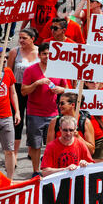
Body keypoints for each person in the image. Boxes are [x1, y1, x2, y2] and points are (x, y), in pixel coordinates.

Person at [21, 42, 68, 178]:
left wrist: (61, 90)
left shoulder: (59, 70)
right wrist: (36, 83)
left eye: (50, 54)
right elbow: (23, 91)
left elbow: (66, 89)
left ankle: (50, 169)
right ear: (39, 55)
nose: (47, 56)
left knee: (52, 144)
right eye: (44, 54)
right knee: (35, 145)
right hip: (35, 113)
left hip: (53, 113)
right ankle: (36, 171)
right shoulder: (31, 70)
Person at [7, 28, 39, 164]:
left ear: (32, 39)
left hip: (35, 89)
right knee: (17, 121)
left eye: (24, 38)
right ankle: (13, 153)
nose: (20, 41)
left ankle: (33, 150)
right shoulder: (15, 52)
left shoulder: (40, 52)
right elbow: (8, 72)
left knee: (33, 121)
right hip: (18, 88)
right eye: (19, 38)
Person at [0, 46, 20, 180]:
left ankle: (10, 180)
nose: (5, 59)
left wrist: (17, 112)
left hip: (6, 116)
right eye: (2, 57)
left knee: (9, 151)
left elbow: (13, 93)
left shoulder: (8, 72)